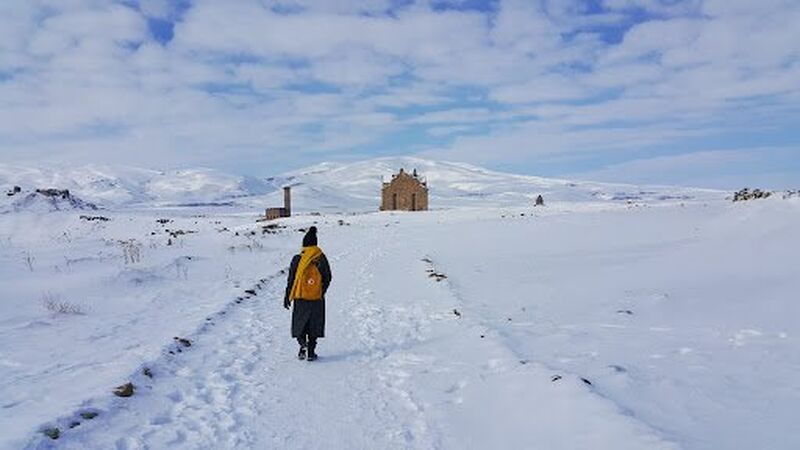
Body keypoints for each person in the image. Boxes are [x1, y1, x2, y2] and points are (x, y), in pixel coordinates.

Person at [284, 226, 332, 361]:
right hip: (316, 298)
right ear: (316, 243)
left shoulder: (298, 258)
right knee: (314, 324)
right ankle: (311, 351)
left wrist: (288, 295)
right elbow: (328, 276)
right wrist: (320, 291)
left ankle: (302, 345)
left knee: (300, 324)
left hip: (300, 297)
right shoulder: (320, 258)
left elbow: (291, 279)